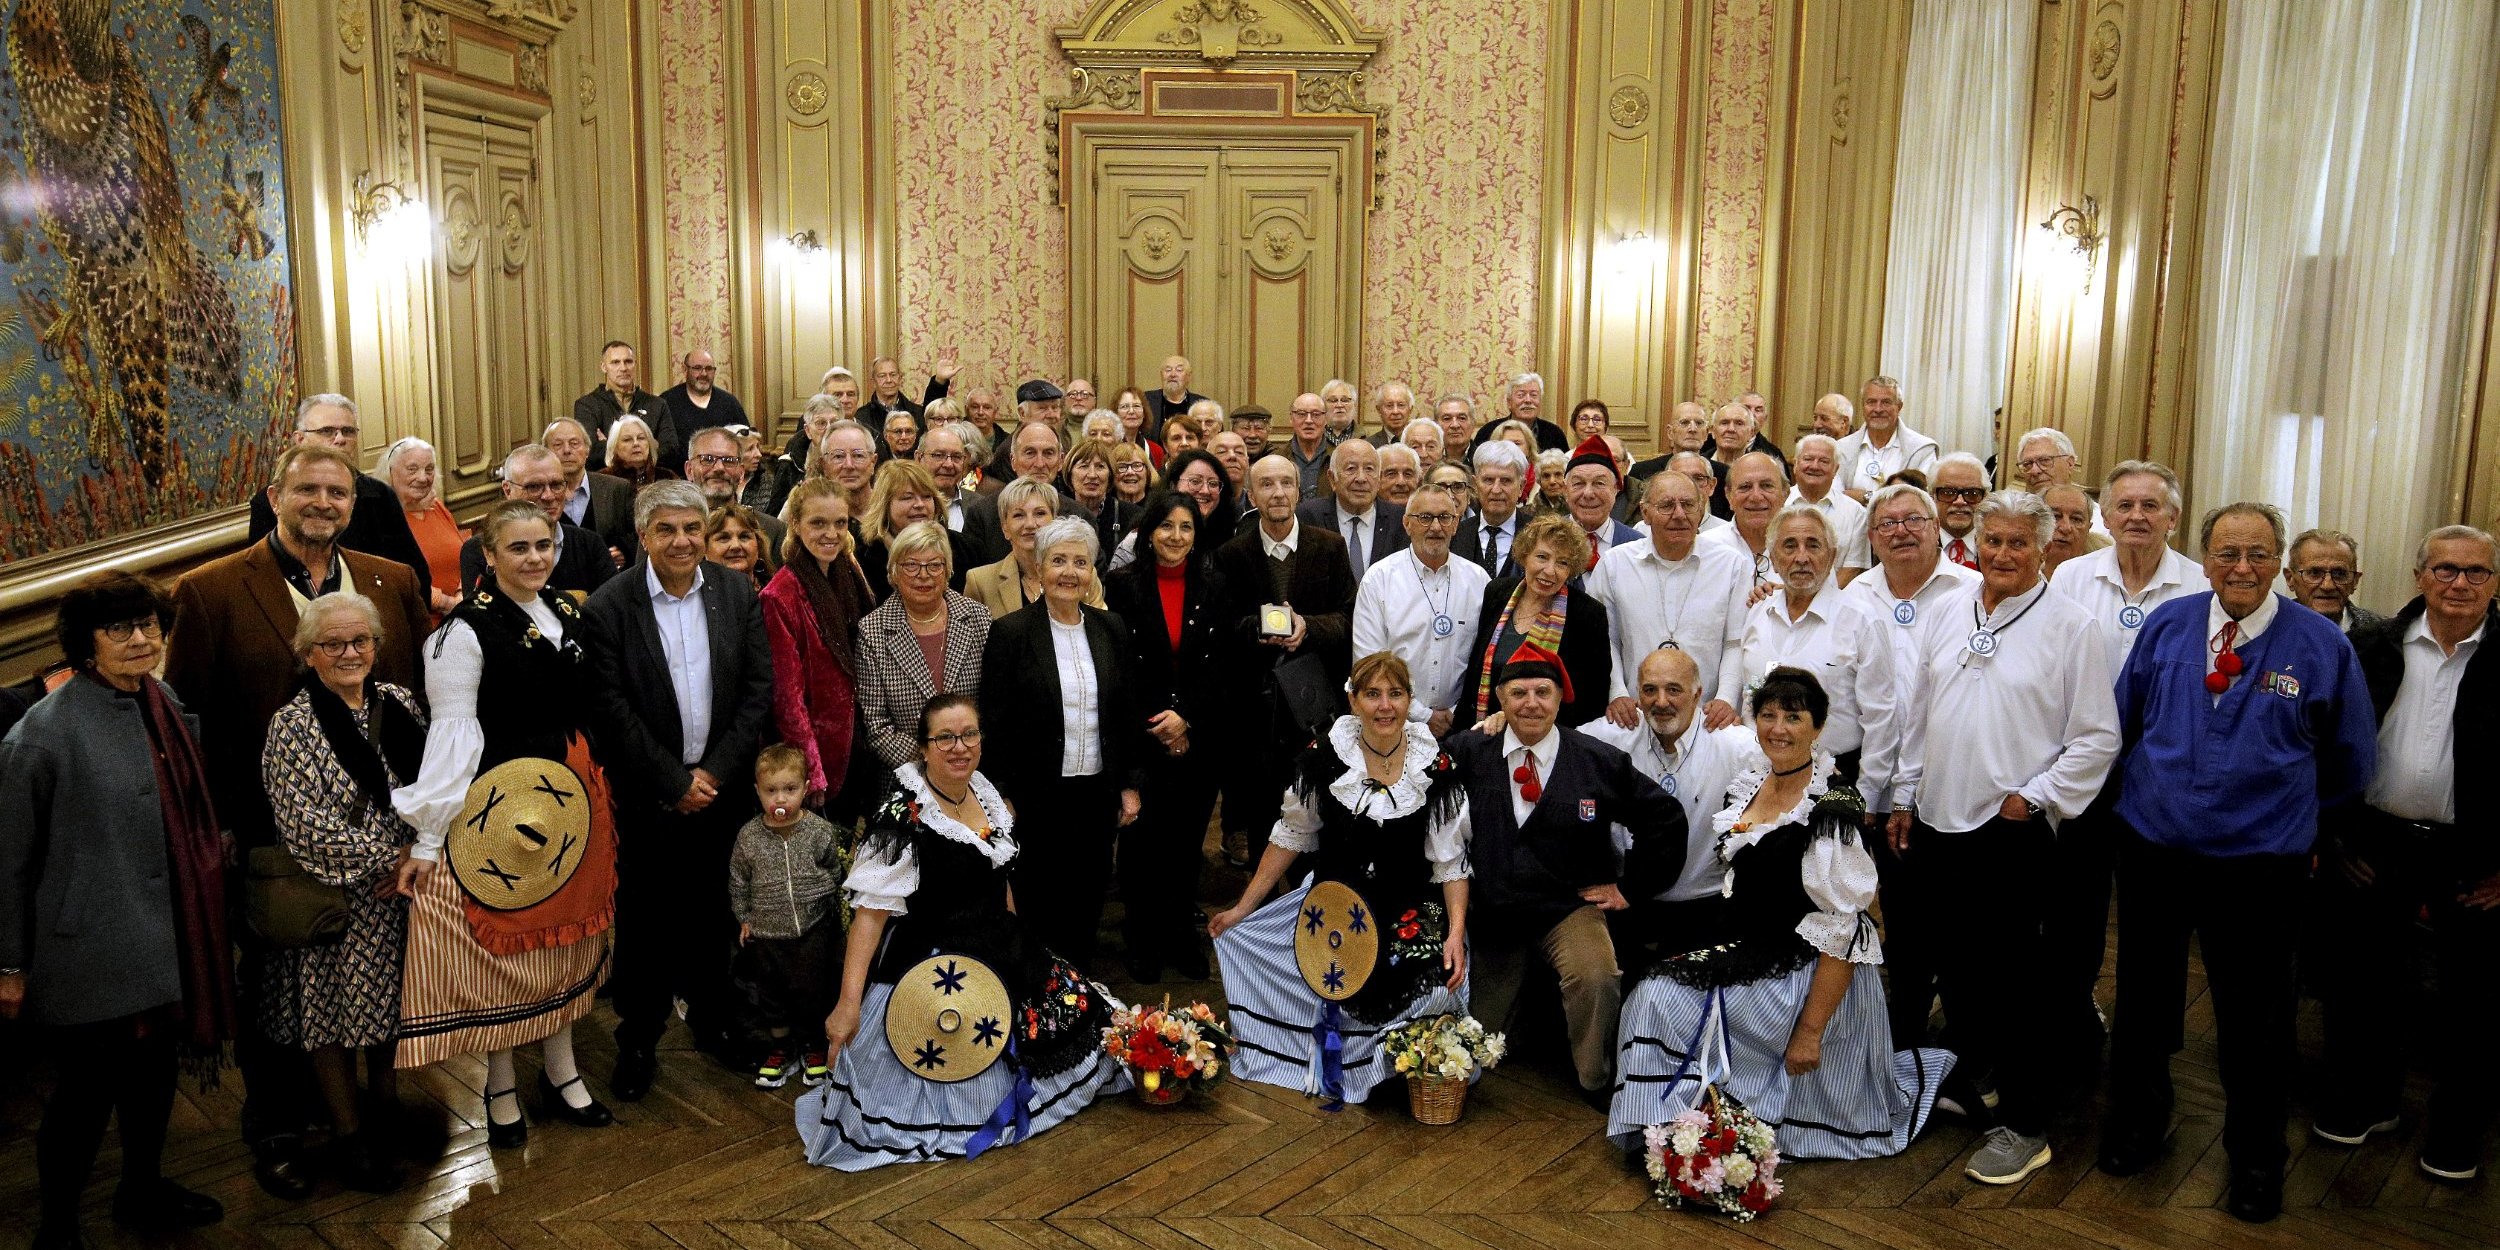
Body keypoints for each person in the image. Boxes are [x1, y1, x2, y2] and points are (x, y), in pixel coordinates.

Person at [2095, 503, 2378, 1223]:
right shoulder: (2168, 625)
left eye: (2257, 554)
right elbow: (2123, 720)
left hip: (2259, 865)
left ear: (2279, 560)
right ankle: (2139, 1124)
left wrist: (2295, 819)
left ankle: (2256, 1162)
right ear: (2205, 558)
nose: (2241, 568)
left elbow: (2349, 761)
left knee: (2257, 1024)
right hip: (2155, 850)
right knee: (2144, 1002)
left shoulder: (2319, 646)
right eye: (2227, 554)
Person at [164, 443, 428, 1199]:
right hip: (275, 852)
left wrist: (416, 844)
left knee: (379, 1003)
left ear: (355, 501)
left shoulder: (391, 579)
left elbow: (416, 715)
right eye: (307, 488)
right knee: (286, 1009)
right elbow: (189, 722)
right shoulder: (211, 589)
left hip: (392, 864)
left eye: (337, 491)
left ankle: (371, 1120)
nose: (323, 501)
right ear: (275, 495)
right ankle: (281, 1134)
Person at [1607, 667, 1952, 1158]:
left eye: (1794, 716)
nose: (1778, 728)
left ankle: (1705, 1126)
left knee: (1661, 998)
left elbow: (1844, 931)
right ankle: (1673, 1130)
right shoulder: (1750, 784)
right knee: (1649, 993)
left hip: (1810, 974)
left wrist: (1810, 1034)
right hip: (1752, 948)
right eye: (1768, 715)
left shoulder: (1833, 808)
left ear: (1818, 726)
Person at [1887, 491, 2121, 1185]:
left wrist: (2036, 797)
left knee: (2018, 984)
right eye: (1993, 542)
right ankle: (1978, 1085)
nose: (2004, 555)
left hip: (2008, 831)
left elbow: (2097, 738)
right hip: (1936, 820)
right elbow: (1920, 713)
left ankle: (2027, 1127)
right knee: (1957, 975)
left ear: (2046, 547)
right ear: (1976, 545)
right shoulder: (1949, 608)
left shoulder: (2073, 627)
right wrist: (1904, 794)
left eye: (2020, 542)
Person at [793, 694, 1130, 1169]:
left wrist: (1023, 949)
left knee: (1079, 1011)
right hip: (933, 957)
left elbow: (1000, 878)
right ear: (924, 748)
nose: (959, 747)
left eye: (969, 734)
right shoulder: (902, 814)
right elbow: (870, 915)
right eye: (945, 737)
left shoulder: (984, 793)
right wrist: (848, 1004)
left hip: (996, 941)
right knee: (946, 1042)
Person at [3, 573, 233, 1246]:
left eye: (149, 626)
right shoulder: (41, 736)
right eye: (120, 630)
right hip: (90, 945)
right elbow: (9, 860)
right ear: (85, 644)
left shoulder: (160, 698)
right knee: (83, 1096)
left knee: (153, 1078)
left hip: (167, 934)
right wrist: (8, 964)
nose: (140, 640)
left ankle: (142, 1190)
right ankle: (58, 1226)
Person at [390, 501, 620, 1148]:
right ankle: (499, 1087)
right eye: (518, 548)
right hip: (502, 808)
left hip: (577, 798)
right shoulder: (461, 633)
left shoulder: (571, 611)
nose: (534, 558)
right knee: (509, 953)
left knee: (564, 942)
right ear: (487, 556)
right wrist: (431, 835)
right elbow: (453, 733)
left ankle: (562, 1071)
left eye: (543, 545)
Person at [2313, 526, 2497, 1182]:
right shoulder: (2369, 647)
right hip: (2375, 843)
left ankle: (2457, 1132)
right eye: (2446, 569)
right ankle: (2367, 1102)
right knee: (2361, 983)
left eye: (2477, 572)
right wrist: (2333, 835)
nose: (2460, 584)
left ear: (2494, 582)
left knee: (2471, 1005)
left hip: (2476, 861)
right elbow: (2322, 742)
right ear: (2420, 575)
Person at [583, 481, 777, 1099]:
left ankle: (715, 1025)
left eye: (692, 528)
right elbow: (609, 710)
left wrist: (713, 775)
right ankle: (639, 1038)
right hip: (650, 797)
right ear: (643, 536)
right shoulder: (609, 607)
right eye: (666, 529)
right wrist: (673, 781)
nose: (683, 541)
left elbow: (755, 691)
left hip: (720, 792)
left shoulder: (734, 592)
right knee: (645, 923)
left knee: (716, 914)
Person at [1209, 652, 1472, 1101]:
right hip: (1333, 900)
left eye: (1395, 694)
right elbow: (1291, 835)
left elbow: (1449, 860)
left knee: (1424, 969)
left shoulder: (1434, 765)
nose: (1384, 706)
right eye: (1372, 694)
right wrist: (1242, 907)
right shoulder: (1326, 756)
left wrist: (1457, 931)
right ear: (1353, 701)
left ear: (1410, 701)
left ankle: (1391, 1067)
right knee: (1298, 955)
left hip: (1408, 901)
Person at [1446, 647, 1684, 1105]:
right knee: (1480, 1046)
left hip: (1568, 909)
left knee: (1596, 975)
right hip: (1496, 915)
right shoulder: (1469, 751)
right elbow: (1418, 783)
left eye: (1542, 692)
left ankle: (1596, 1077)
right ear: (1500, 699)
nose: (1530, 703)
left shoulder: (1597, 760)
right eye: (1518, 693)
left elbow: (1666, 818)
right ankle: (1528, 1023)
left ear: (1560, 699)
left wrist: (1629, 887)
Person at [257, 592, 425, 1194]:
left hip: (404, 894)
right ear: (309, 655)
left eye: (361, 641)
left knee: (390, 1011)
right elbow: (304, 824)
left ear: (376, 647)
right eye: (333, 644)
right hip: (337, 901)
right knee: (329, 1019)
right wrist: (390, 859)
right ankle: (348, 1133)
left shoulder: (401, 703)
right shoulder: (292, 725)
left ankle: (386, 1111)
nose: (349, 653)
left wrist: (419, 854)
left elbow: (436, 784)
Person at [2041, 460, 2205, 1057]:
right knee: (2074, 910)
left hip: (2162, 772)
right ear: (2105, 517)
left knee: (2152, 921)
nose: (2137, 517)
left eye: (2150, 506)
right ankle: (2068, 1026)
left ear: (2173, 517)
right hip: (2084, 768)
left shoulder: (2199, 585)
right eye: (2125, 507)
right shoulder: (2070, 578)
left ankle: (2146, 1051)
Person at [977, 519, 1147, 964]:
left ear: (1092, 571)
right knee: (1038, 900)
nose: (1069, 572)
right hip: (1034, 798)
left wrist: (1129, 784)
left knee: (1088, 896)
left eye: (1080, 562)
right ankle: (1038, 997)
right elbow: (993, 722)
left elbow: (1126, 715)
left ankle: (1080, 996)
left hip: (1095, 793)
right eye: (1058, 561)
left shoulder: (1111, 629)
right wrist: (1004, 796)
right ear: (1039, 567)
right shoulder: (1011, 632)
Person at [1104, 491, 1230, 981]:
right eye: (1167, 527)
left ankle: (1180, 933)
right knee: (1142, 845)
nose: (1176, 537)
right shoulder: (1121, 585)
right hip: (1142, 737)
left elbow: (1220, 668)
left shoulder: (1215, 585)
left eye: (1187, 529)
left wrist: (1186, 719)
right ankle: (1143, 936)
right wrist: (1160, 723)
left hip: (1198, 737)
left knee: (1186, 839)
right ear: (1148, 532)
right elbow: (1118, 668)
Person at [1211, 455, 1359, 867]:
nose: (1278, 493)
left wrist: (1307, 626)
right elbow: (1221, 627)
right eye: (1267, 485)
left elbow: (1349, 618)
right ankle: (1264, 908)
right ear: (1252, 495)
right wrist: (1258, 630)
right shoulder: (1231, 554)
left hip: (1313, 706)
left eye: (1286, 484)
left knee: (1318, 808)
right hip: (1255, 711)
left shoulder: (1329, 546)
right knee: (1262, 816)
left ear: (1300, 490)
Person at [1581, 647, 1760, 960]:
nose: (1660, 702)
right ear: (1637, 693)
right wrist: (1501, 722)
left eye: (1673, 690)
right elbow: (1550, 739)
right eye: (1650, 690)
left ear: (1698, 694)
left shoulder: (1736, 745)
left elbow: (1791, 771)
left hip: (1707, 906)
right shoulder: (1614, 735)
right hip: (1628, 904)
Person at [1733, 506, 1901, 805]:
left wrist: (1868, 795)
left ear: (1832, 555)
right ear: (1772, 557)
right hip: (1759, 776)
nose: (1801, 557)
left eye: (1813, 545)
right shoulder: (1758, 611)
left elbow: (1881, 716)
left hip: (1837, 777)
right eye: (1789, 546)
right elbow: (1748, 697)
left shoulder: (1861, 620)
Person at [1586, 469, 1755, 729]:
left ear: (1700, 512)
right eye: (1666, 505)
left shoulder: (1732, 565)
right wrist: (1617, 693)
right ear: (1645, 513)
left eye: (1688, 505)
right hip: (1634, 716)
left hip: (1706, 719)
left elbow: (1735, 642)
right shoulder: (1615, 564)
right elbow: (1604, 640)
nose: (1679, 514)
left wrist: (1725, 699)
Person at [728, 745, 845, 1089]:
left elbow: (834, 869)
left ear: (806, 788)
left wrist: (828, 904)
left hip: (813, 930)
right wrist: (744, 917)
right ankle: (782, 1047)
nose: (781, 798)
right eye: (771, 790)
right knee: (771, 993)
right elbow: (738, 880)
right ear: (758, 792)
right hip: (767, 934)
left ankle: (812, 1045)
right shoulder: (749, 837)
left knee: (812, 990)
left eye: (790, 789)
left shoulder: (818, 832)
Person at [765, 479, 878, 817]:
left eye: (840, 523)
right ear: (796, 525)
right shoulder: (779, 594)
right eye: (818, 523)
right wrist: (810, 769)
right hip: (821, 752)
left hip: (860, 735)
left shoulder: (849, 570)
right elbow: (787, 696)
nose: (831, 533)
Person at [247, 394, 432, 591]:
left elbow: (415, 576)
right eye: (327, 431)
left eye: (348, 431)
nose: (340, 439)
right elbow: (261, 581)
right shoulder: (273, 500)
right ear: (300, 439)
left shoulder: (378, 496)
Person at [1352, 482, 1490, 738]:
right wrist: (1423, 715)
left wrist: (1457, 711)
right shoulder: (1379, 579)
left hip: (1462, 725)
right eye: (1425, 518)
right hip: (1395, 724)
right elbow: (1368, 663)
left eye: (1445, 517)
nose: (1436, 527)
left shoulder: (1479, 580)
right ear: (1407, 524)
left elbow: (1486, 657)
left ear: (1456, 523)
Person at [857, 520, 992, 775]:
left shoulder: (978, 618)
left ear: (948, 570)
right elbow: (876, 725)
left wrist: (966, 752)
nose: (923, 575)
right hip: (907, 777)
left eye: (934, 565)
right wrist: (933, 758)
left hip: (976, 770)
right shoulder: (872, 631)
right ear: (894, 572)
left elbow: (993, 704)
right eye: (911, 565)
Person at [1457, 513, 1612, 729]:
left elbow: (1592, 701)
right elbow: (1476, 674)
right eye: (1542, 557)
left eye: (1562, 562)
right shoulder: (1497, 592)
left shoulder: (1588, 614)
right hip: (1483, 735)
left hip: (1550, 741)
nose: (1550, 571)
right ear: (1524, 555)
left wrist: (1515, 719)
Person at [457, 443, 616, 597]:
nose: (548, 496)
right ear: (507, 490)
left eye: (556, 485)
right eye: (534, 487)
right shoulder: (479, 550)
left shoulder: (590, 545)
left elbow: (610, 614)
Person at [968, 478, 1100, 616]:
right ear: (1005, 528)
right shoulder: (980, 582)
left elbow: (1098, 629)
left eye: (1040, 513)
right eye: (1019, 515)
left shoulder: (1083, 575)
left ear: (1055, 520)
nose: (1030, 524)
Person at [858, 459, 979, 601]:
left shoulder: (967, 549)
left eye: (927, 496)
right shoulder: (863, 557)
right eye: (907, 498)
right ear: (884, 505)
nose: (919, 504)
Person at [964, 422, 1079, 565]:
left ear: (1061, 461)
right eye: (1030, 453)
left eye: (1048, 453)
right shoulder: (982, 514)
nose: (1039, 463)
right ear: (1013, 460)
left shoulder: (1079, 516)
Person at [379, 435, 465, 618]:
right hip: (419, 621)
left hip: (458, 615)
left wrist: (461, 594)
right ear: (391, 472)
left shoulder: (437, 508)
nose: (423, 477)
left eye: (429, 469)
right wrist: (446, 603)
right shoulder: (382, 519)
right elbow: (395, 579)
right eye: (412, 469)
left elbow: (463, 554)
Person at [1297, 437, 1405, 580]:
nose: (1361, 478)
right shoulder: (1308, 517)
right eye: (1351, 469)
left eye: (1369, 469)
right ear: (1331, 478)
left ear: (1379, 478)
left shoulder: (1400, 520)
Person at [545, 417, 637, 568]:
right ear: (546, 452)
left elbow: (639, 534)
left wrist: (624, 551)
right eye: (557, 445)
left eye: (574, 444)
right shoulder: (540, 494)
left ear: (587, 450)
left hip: (609, 579)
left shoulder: (617, 488)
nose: (567, 450)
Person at [573, 339, 677, 469]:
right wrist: (648, 445)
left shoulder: (657, 404)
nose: (623, 368)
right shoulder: (587, 405)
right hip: (607, 482)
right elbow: (590, 451)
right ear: (603, 367)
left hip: (650, 481)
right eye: (615, 362)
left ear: (635, 364)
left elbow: (671, 451)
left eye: (628, 362)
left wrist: (611, 444)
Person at [1833, 375, 1939, 503]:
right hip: (1849, 521)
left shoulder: (1922, 449)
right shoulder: (1841, 448)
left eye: (1886, 402)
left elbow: (1918, 498)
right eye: (1871, 402)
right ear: (1863, 406)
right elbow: (1834, 495)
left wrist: (1867, 497)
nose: (1878, 409)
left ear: (1899, 407)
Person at [687, 425, 787, 553]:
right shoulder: (677, 532)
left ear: (741, 473)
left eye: (728, 461)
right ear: (689, 470)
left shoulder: (772, 530)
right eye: (707, 459)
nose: (719, 468)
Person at [1788, 434, 1871, 582]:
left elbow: (1852, 569)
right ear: (1795, 465)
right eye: (1808, 459)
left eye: (1824, 461)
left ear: (1835, 469)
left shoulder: (1856, 513)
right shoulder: (1777, 504)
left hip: (1834, 599)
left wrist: (1820, 600)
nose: (1814, 466)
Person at [1700, 451, 1787, 587]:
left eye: (1766, 486)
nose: (1756, 497)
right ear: (1728, 496)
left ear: (1785, 493)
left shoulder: (1803, 551)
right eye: (1745, 487)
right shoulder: (1705, 548)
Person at [1452, 440, 1530, 579]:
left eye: (1506, 481)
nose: (1496, 490)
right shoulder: (1454, 534)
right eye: (1488, 480)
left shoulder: (1537, 535)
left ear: (1521, 487)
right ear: (1475, 485)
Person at [2012, 428, 2109, 537]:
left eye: (2044, 461)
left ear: (2070, 464)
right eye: (2027, 464)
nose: (2035, 470)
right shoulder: (2013, 515)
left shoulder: (2099, 522)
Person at [2287, 528, 2381, 633]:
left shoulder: (2383, 634)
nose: (2328, 586)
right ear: (2290, 578)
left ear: (2355, 581)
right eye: (2315, 573)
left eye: (2339, 574)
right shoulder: (2269, 626)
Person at [1066, 438, 1141, 567]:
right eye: (1083, 466)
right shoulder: (1058, 514)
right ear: (1069, 474)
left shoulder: (1134, 516)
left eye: (1100, 466)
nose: (1092, 475)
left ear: (1110, 475)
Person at [1562, 435, 1641, 556]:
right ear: (1565, 490)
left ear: (1616, 489)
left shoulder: (1637, 545)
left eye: (1599, 483)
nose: (1588, 493)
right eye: (1578, 483)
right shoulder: (1541, 540)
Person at [659, 349, 752, 446]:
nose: (704, 374)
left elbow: (746, 440)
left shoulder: (729, 403)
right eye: (697, 368)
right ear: (685, 370)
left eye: (709, 368)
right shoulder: (667, 402)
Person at [1928, 454, 1990, 573]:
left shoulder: (1998, 544)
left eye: (1972, 493)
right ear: (1932, 496)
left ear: (1985, 498)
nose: (1960, 502)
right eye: (1948, 493)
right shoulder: (1918, 544)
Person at [2040, 483, 2102, 580]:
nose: (2066, 528)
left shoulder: (2102, 579)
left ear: (2088, 529)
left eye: (2076, 519)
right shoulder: (2019, 575)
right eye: (2055, 516)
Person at [600, 415, 679, 489]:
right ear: (614, 447)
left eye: (641, 438)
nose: (636, 443)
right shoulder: (602, 479)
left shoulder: (668, 478)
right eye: (627, 439)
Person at [705, 502, 777, 583]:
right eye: (724, 538)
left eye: (744, 537)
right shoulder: (695, 593)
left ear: (759, 544)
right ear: (704, 548)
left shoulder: (776, 591)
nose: (736, 546)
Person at [1281, 392, 1335, 498]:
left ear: (1326, 419)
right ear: (1291, 419)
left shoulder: (1338, 457)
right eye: (1301, 414)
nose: (1309, 420)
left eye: (1316, 414)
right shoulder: (1278, 457)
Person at [1147, 354, 1210, 426]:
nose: (1173, 374)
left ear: (1188, 376)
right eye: (1168, 370)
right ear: (1161, 375)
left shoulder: (1202, 404)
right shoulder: (1145, 400)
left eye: (1179, 370)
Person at [1109, 440, 1157, 505]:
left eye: (1137, 465)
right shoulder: (1103, 506)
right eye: (1122, 467)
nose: (1130, 472)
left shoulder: (1160, 505)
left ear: (1147, 472)